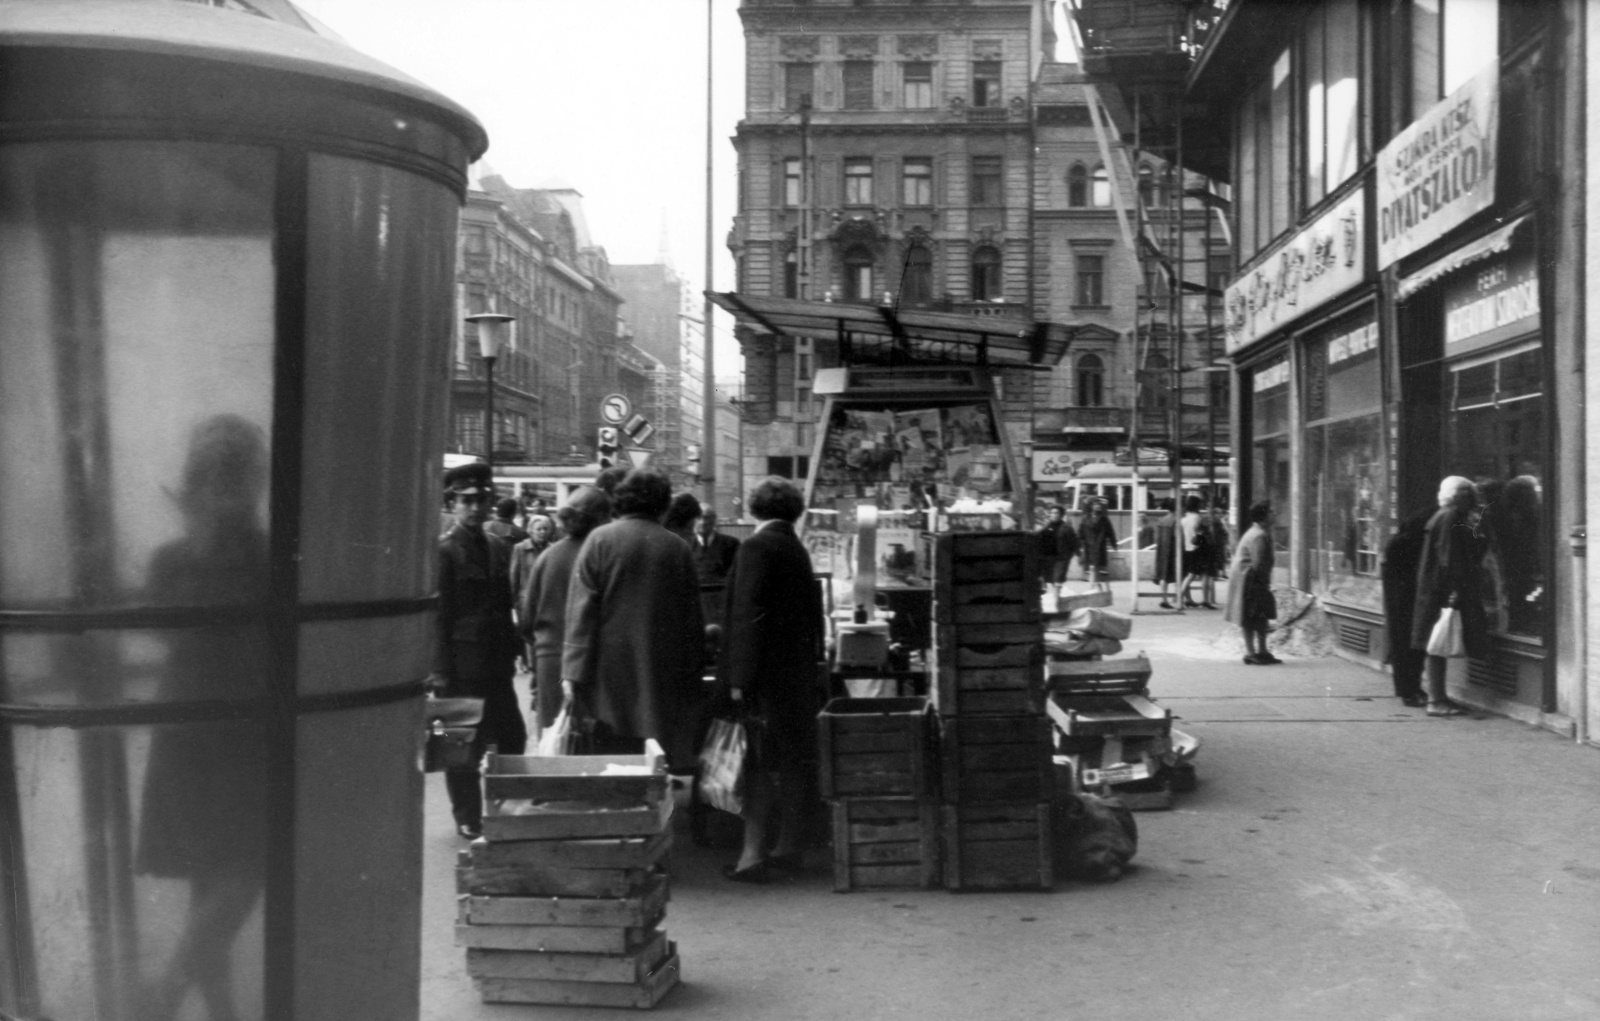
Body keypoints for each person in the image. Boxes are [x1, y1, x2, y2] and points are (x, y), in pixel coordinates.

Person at [136, 415, 270, 1019]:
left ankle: (173, 999)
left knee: (219, 884)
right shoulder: (263, 558)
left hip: (202, 733)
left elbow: (169, 634)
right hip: (230, 735)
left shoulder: (175, 561)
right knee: (230, 879)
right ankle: (185, 1002)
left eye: (233, 480)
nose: (228, 493)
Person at [719, 478, 826, 883]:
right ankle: (788, 844)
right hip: (793, 672)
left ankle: (751, 854)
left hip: (762, 676)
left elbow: (748, 614)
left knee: (757, 763)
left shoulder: (755, 547)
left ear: (754, 508)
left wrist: (739, 679)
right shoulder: (795, 547)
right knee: (791, 757)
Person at [562, 468, 706, 762]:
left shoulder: (599, 541)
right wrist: (692, 674)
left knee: (611, 760)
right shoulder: (677, 548)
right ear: (663, 507)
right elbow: (692, 621)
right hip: (659, 676)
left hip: (606, 678)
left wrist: (572, 674)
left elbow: (581, 615)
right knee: (654, 764)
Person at [434, 462, 527, 839]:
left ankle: (504, 807)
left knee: (513, 737)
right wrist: (440, 672)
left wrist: (516, 647)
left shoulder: (496, 547)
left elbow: (505, 603)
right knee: (463, 746)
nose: (475, 507)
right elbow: (439, 617)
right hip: (461, 666)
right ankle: (467, 816)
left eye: (482, 499)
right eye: (467, 500)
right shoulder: (444, 552)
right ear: (452, 503)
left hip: (496, 663)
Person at [520, 488, 612, 728]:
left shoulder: (547, 557)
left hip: (549, 658)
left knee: (553, 737)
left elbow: (526, 620)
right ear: (602, 518)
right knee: (590, 741)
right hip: (592, 661)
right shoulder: (603, 557)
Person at [1410, 476, 1485, 717]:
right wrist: (1453, 591)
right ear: (1457, 497)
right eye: (1468, 495)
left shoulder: (1443, 515)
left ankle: (1438, 697)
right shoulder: (1450, 517)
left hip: (1434, 589)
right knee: (1437, 642)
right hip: (1441, 590)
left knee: (1436, 643)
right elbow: (1448, 556)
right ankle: (1436, 700)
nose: (1472, 500)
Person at [1382, 512, 1431, 708]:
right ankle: (1410, 690)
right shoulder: (1408, 544)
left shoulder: (1400, 542)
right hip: (1405, 601)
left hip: (1400, 601)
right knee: (1409, 647)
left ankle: (1409, 689)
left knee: (1405, 646)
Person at [1225, 500, 1279, 665]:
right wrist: (1264, 584)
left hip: (1248, 577)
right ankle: (1252, 652)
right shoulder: (1259, 535)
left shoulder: (1258, 532)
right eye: (1271, 511)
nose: (1274, 513)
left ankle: (1260, 651)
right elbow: (1258, 563)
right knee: (1252, 615)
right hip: (1250, 579)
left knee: (1258, 615)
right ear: (1264, 516)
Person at [692, 509, 742, 628]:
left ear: (714, 521)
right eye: (699, 518)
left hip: (722, 599)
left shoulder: (731, 544)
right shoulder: (684, 543)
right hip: (695, 599)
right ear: (693, 520)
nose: (703, 522)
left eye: (707, 518)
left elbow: (737, 572)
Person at [509, 513, 556, 630]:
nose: (542, 532)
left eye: (545, 529)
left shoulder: (554, 549)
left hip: (547, 601)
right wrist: (513, 602)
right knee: (528, 635)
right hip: (526, 602)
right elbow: (513, 576)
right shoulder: (520, 548)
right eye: (539, 529)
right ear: (531, 531)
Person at [1036, 504, 1078, 597]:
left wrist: (1076, 554)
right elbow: (1038, 537)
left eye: (1056, 513)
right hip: (1049, 557)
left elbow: (1075, 542)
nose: (1054, 515)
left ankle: (1056, 598)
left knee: (1058, 578)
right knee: (1049, 578)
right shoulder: (1046, 527)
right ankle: (1053, 597)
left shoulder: (1067, 528)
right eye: (1052, 513)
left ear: (1061, 515)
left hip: (1062, 557)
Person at [1079, 499, 1117, 590]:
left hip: (1100, 547)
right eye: (1096, 504)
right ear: (1091, 506)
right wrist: (1078, 546)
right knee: (1093, 568)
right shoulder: (1085, 519)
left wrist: (1113, 543)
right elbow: (1080, 533)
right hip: (1089, 547)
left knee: (1101, 569)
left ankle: (1104, 588)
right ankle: (1094, 588)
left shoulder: (1104, 520)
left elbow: (1110, 532)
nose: (1098, 506)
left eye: (1099, 504)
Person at [1176, 495, 1204, 608]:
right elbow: (1200, 532)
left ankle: (1188, 599)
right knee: (1192, 575)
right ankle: (1180, 598)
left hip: (1185, 549)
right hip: (1195, 548)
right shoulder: (1198, 517)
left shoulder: (1183, 519)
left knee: (1187, 575)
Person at [1152, 498, 1180, 608]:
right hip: (1172, 550)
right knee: (1178, 575)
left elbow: (1157, 537)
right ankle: (1177, 597)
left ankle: (1164, 599)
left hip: (1161, 550)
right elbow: (1178, 537)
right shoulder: (1176, 520)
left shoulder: (1162, 520)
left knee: (1163, 576)